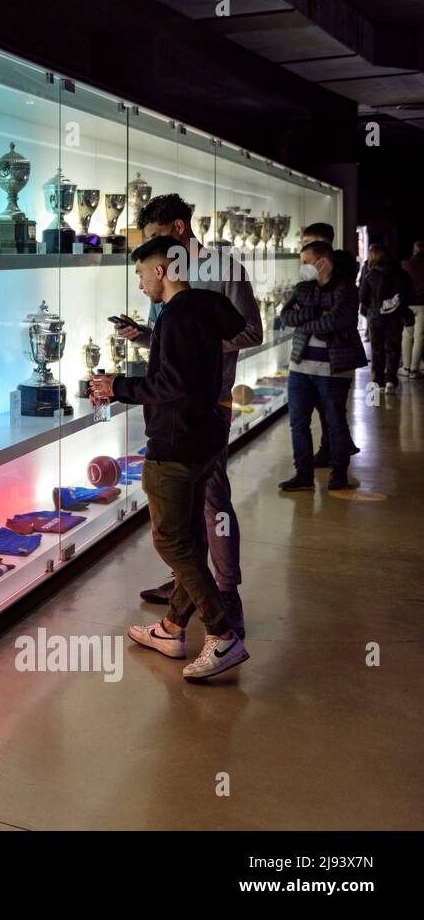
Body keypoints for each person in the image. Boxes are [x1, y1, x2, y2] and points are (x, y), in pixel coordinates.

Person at [90, 235, 249, 680]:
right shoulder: (203, 307)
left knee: (171, 542)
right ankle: (172, 628)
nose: (141, 284)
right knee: (193, 540)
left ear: (160, 271)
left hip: (175, 444)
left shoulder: (177, 317)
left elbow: (169, 385)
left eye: (141, 274)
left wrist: (115, 386)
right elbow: (192, 366)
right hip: (206, 438)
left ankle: (221, 636)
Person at [118, 193, 260, 639]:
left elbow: (251, 331)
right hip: (171, 408)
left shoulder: (226, 270)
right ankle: (187, 585)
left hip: (209, 403)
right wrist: (142, 335)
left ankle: (226, 592)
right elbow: (167, 340)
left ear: (179, 229)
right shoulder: (163, 275)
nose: (151, 252)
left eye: (158, 237)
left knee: (214, 500)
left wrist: (195, 348)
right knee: (184, 509)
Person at [279, 240, 366, 492]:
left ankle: (339, 473)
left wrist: (305, 319)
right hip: (300, 367)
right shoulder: (303, 288)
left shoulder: (347, 290)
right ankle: (303, 474)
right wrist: (316, 314)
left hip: (334, 368)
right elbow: (286, 317)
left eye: (306, 262)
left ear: (323, 262)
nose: (302, 267)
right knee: (298, 422)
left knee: (334, 421)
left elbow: (335, 323)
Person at [299, 223, 361, 465]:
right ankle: (336, 447)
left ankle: (337, 453)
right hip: (320, 354)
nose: (304, 247)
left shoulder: (339, 277)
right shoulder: (318, 274)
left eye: (308, 241)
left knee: (331, 408)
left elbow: (330, 316)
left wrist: (306, 318)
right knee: (327, 408)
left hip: (336, 353)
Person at [360, 244, 408, 392]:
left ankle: (379, 381)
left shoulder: (370, 275)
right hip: (395, 316)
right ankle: (391, 380)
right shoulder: (401, 273)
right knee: (393, 348)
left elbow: (362, 297)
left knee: (377, 349)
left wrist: (372, 308)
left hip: (375, 317)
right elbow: (408, 293)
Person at [397, 240, 424, 379]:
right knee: (419, 337)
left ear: (414, 250)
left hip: (408, 304)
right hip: (423, 305)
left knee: (407, 335)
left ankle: (406, 367)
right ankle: (414, 369)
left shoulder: (405, 264)